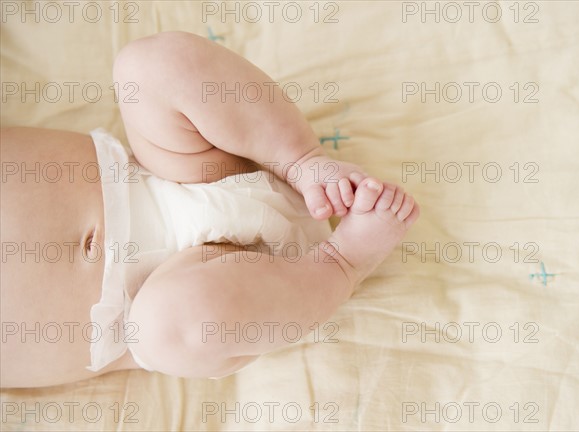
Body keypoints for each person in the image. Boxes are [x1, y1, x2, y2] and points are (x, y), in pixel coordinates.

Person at [0, 31, 419, 388]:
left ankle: (301, 160)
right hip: (167, 297)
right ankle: (342, 263)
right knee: (170, 326)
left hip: (176, 170)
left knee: (149, 66)